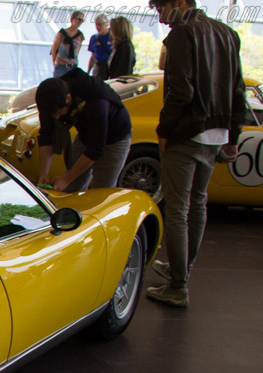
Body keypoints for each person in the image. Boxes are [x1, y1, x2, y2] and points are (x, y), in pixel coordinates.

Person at [145, 0, 245, 308]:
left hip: (187, 131)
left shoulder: (182, 34)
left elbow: (181, 91)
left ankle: (178, 286)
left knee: (176, 208)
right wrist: (233, 135)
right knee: (198, 204)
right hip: (216, 132)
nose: (160, 17)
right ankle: (181, 269)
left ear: (179, 3)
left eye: (160, 9)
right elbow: (238, 88)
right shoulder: (228, 33)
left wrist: (163, 130)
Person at [34, 69, 132, 192]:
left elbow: (95, 150)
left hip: (115, 138)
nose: (57, 118)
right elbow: (46, 136)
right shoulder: (49, 101)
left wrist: (66, 179)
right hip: (85, 134)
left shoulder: (96, 101)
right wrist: (44, 174)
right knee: (70, 187)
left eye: (59, 113)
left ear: (68, 98)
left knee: (101, 192)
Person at [51, 10, 84, 78]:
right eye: (78, 19)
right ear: (72, 19)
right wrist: (54, 64)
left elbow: (77, 51)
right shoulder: (61, 33)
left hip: (73, 66)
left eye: (82, 20)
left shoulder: (80, 35)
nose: (80, 22)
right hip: (61, 65)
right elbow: (54, 49)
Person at [86, 13, 110, 79]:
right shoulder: (94, 38)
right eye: (96, 24)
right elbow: (92, 56)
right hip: (98, 67)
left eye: (100, 24)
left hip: (110, 66)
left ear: (106, 24)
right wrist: (88, 71)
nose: (98, 27)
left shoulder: (112, 37)